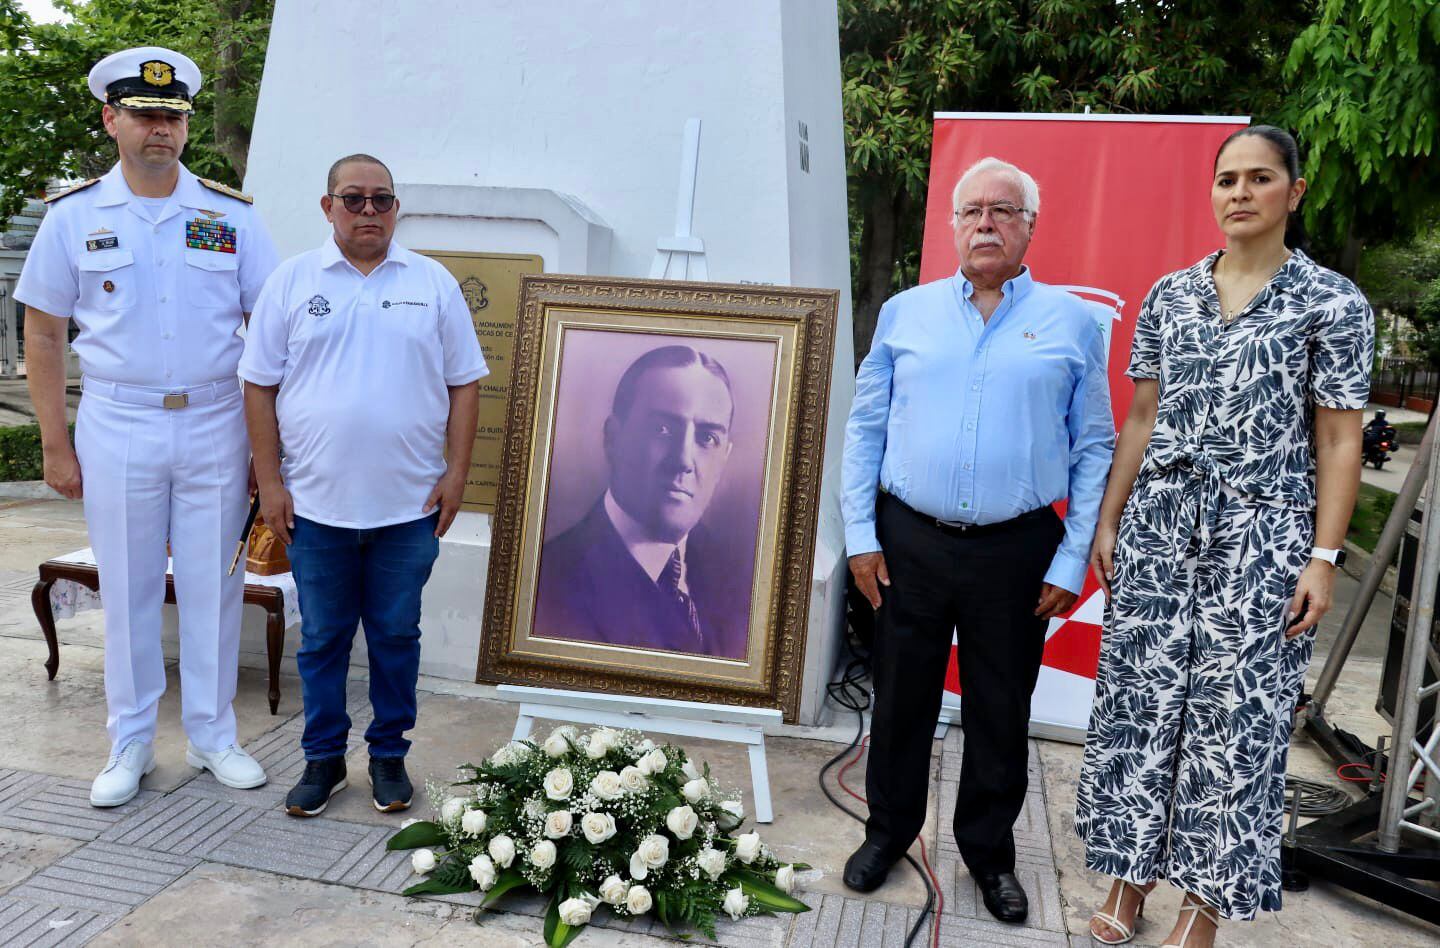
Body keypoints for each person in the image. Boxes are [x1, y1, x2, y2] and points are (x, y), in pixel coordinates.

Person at [1075, 126, 1373, 948]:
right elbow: (1142, 416)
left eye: (1260, 178)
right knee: (1142, 707)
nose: (1240, 192)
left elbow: (1338, 439)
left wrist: (1323, 558)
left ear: (1295, 192)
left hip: (1263, 540)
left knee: (1235, 723)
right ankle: (1127, 876)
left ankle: (1202, 904)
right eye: (1227, 179)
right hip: (1161, 529)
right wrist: (1110, 518)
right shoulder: (1170, 294)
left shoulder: (1332, 303)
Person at [841, 157, 1114, 922]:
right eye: (971, 211)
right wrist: (860, 536)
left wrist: (1071, 557)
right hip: (908, 543)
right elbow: (864, 429)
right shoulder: (906, 313)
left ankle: (989, 856)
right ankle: (888, 834)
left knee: (1000, 709)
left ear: (1030, 226)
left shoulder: (1071, 322)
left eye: (1002, 210)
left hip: (1016, 550)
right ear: (953, 225)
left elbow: (1094, 444)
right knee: (901, 700)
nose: (985, 223)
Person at [17, 46, 278, 807]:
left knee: (213, 584)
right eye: (143, 115)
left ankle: (212, 735)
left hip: (216, 420)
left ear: (186, 126)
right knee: (128, 585)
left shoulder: (230, 217)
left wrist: (269, 448)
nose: (160, 128)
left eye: (172, 116)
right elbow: (43, 333)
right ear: (111, 120)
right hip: (118, 420)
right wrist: (55, 442)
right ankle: (129, 740)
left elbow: (271, 332)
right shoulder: (73, 217)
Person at [239, 154, 487, 817]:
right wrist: (270, 482)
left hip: (408, 509)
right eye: (354, 199)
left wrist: (456, 474)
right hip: (315, 508)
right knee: (322, 640)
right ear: (328, 207)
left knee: (396, 638)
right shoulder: (292, 282)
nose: (369, 210)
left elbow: (465, 383)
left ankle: (388, 756)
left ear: (396, 208)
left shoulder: (433, 283)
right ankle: (323, 760)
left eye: (382, 199)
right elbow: (258, 385)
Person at [533, 344, 750, 660]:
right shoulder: (547, 581)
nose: (683, 460)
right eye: (662, 429)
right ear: (612, 438)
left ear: (723, 459)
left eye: (706, 438)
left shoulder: (743, 580)